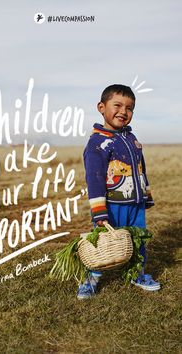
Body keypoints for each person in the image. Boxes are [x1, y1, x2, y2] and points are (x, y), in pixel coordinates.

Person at [77, 84, 160, 300]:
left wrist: (146, 195)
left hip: (135, 204)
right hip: (111, 205)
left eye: (130, 108)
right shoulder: (98, 143)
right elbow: (94, 179)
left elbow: (141, 169)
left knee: (138, 241)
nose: (123, 111)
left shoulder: (131, 139)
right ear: (101, 107)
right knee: (102, 243)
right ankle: (90, 280)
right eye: (117, 105)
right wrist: (99, 211)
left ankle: (137, 274)